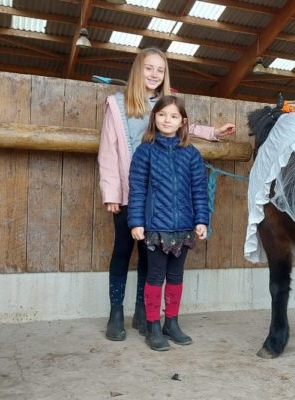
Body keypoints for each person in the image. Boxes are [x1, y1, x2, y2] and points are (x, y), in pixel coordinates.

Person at [98, 47, 235, 341]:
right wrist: (110, 190)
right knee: (122, 251)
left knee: (151, 259)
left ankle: (142, 315)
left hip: (158, 198)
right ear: (138, 70)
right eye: (149, 68)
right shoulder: (117, 104)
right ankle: (115, 313)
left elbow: (183, 123)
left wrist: (214, 132)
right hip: (127, 191)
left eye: (160, 70)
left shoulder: (163, 105)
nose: (154, 74)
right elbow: (108, 150)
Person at [128, 95, 209, 351]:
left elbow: (199, 190)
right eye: (162, 115)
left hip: (184, 228)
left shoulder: (191, 154)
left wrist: (201, 220)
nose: (167, 120)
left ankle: (171, 322)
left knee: (176, 276)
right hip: (155, 229)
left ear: (182, 122)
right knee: (155, 276)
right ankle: (153, 325)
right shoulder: (145, 151)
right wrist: (136, 222)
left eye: (173, 116)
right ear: (154, 118)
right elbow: (137, 189)